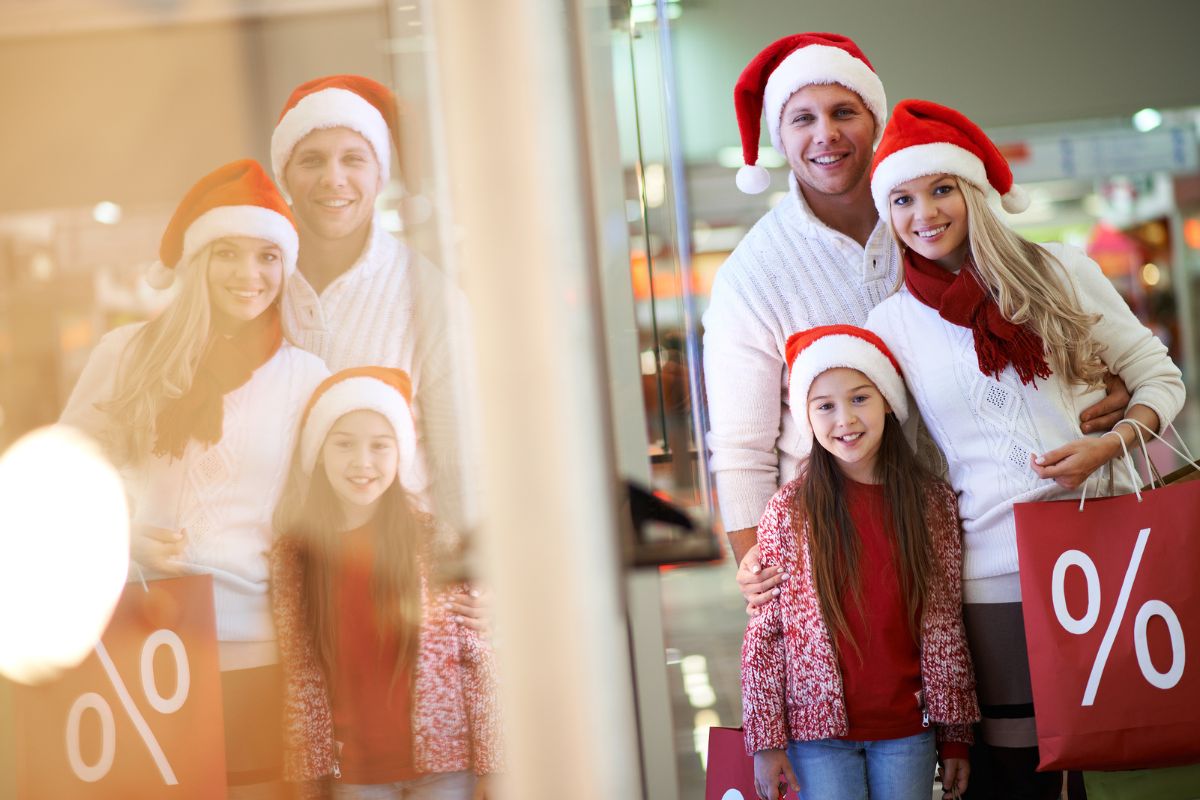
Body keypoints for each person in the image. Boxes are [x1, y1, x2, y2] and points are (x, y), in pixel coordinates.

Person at [703, 34, 1131, 606]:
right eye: (802, 118)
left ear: (873, 120)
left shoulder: (929, 219)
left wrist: (1103, 379)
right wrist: (769, 592)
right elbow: (741, 451)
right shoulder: (751, 276)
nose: (825, 134)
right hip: (849, 550)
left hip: (986, 533)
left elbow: (1028, 324)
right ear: (779, 137)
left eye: (843, 112)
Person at [865, 99, 1186, 799]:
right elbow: (873, 445)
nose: (924, 213)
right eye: (902, 198)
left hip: (1102, 554)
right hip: (990, 576)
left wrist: (1112, 443)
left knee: (1116, 752)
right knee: (1017, 770)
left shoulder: (1060, 272)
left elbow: (1159, 379)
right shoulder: (889, 325)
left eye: (941, 189)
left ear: (974, 192)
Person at [59, 159, 331, 796]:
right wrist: (119, 536)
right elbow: (59, 485)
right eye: (227, 254)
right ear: (196, 262)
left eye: (267, 256)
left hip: (254, 648)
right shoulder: (125, 355)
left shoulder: (306, 377)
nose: (249, 275)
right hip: (138, 633)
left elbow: (320, 521)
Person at [270, 74, 483, 627]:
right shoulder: (252, 281)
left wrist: (474, 576)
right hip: (270, 590)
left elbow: (461, 458)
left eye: (353, 159)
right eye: (311, 159)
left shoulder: (428, 295)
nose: (332, 179)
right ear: (285, 173)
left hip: (394, 589)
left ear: (379, 173)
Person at [741, 325, 978, 800]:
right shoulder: (789, 511)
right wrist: (765, 742)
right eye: (825, 405)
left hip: (907, 729)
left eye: (860, 398)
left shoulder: (931, 502)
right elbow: (765, 634)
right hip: (817, 735)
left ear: (887, 401)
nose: (844, 419)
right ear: (807, 417)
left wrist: (955, 735)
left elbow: (945, 622)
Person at [270, 367, 501, 800]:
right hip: (352, 772)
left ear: (400, 456)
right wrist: (309, 778)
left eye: (380, 446)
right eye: (343, 444)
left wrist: (495, 763)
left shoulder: (434, 538)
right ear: (319, 452)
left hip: (445, 767)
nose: (363, 462)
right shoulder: (295, 554)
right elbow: (300, 674)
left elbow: (477, 654)